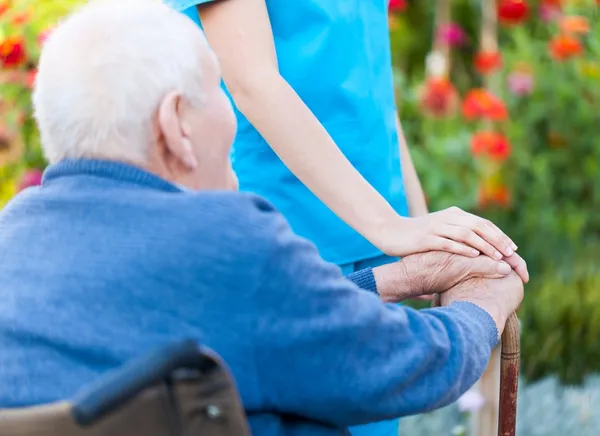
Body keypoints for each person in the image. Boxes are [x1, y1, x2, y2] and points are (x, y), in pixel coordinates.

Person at [0, 2, 525, 436]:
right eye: (215, 95)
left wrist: (393, 270)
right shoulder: (227, 245)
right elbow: (410, 364)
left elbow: (229, 319)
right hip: (305, 229)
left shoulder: (14, 238)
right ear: (174, 123)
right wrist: (483, 305)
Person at [166, 2, 527, 434]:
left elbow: (371, 88)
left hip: (372, 239)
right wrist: (392, 227)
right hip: (279, 239)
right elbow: (252, 82)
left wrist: (426, 232)